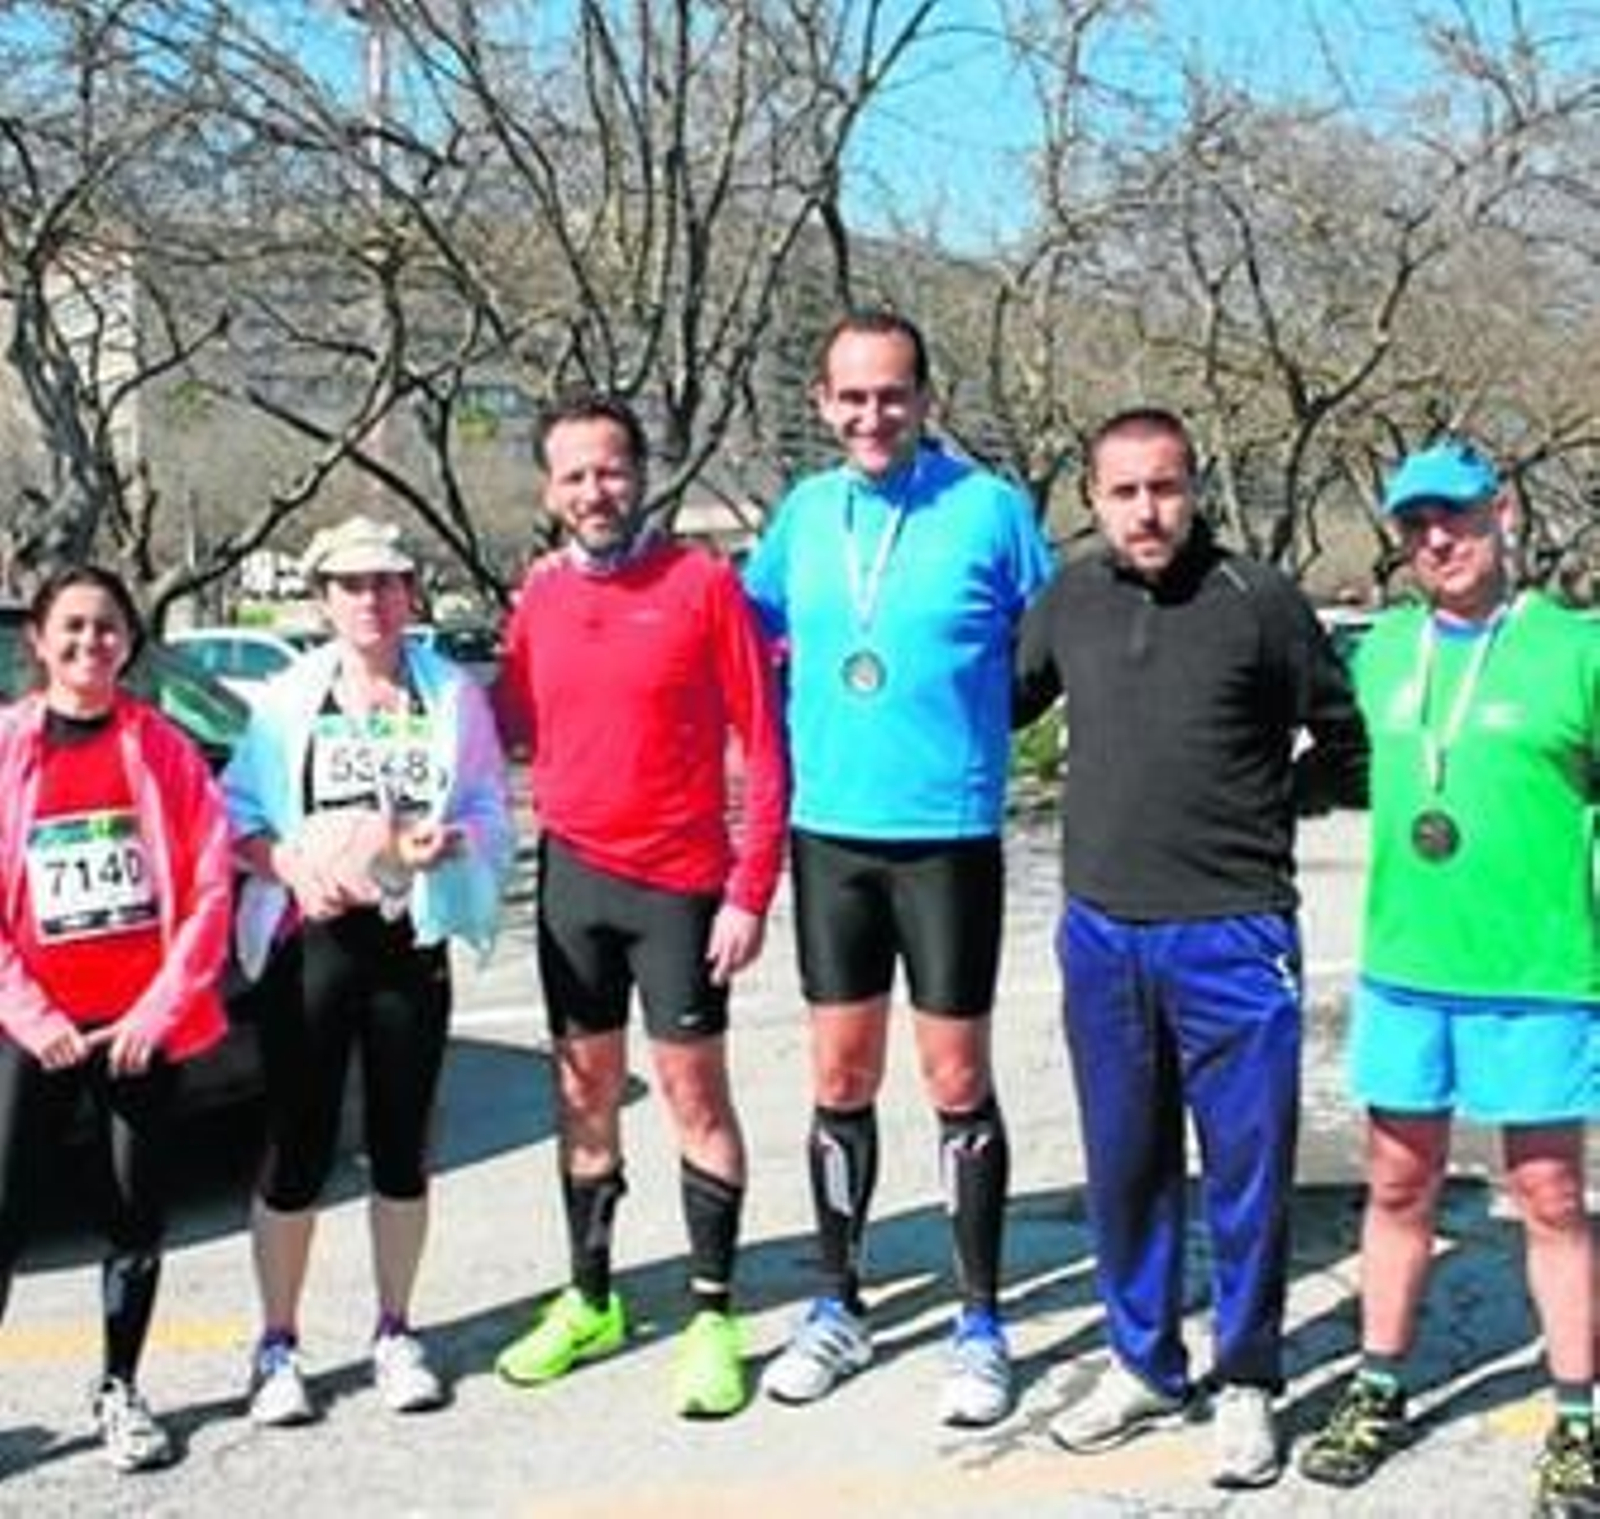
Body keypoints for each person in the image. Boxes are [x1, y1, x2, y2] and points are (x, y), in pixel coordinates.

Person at [1013, 407, 1367, 1487]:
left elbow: (1351, 745)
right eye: (1122, 492)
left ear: (1193, 487)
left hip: (1233, 930)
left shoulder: (1257, 601)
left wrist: (1275, 802)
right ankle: (1142, 1361)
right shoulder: (1068, 596)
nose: (1145, 511)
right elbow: (998, 703)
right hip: (1103, 932)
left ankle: (1249, 1378)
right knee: (1126, 1165)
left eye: (1163, 488)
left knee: (1248, 1172)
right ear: (1093, 496)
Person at [743, 310, 1054, 1428]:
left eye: (892, 395)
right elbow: (742, 637)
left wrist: (988, 727)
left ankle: (979, 1320)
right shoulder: (800, 516)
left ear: (924, 398)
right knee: (838, 1078)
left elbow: (1053, 644)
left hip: (949, 834)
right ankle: (836, 1301)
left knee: (957, 1081)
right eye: (851, 397)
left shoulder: (990, 510)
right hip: (830, 833)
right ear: (823, 405)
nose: (871, 416)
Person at [1297, 441, 1598, 1516]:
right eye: (1416, 522)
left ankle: (1576, 1417)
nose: (1437, 538)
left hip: (1539, 972)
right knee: (1396, 1185)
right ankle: (1377, 1386)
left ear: (1500, 511)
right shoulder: (1381, 652)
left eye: (1456, 515)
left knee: (1550, 1195)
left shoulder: (1576, 649)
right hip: (1407, 973)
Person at [492, 393, 787, 1419]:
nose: (593, 491)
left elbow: (766, 743)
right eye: (573, 475)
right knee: (582, 1100)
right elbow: (502, 729)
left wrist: (749, 890)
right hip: (573, 883)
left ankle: (713, 1314)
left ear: (640, 472)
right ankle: (591, 1298)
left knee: (693, 1099)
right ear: (550, 489)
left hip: (680, 887)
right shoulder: (536, 597)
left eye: (609, 469)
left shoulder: (704, 584)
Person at [223, 515, 512, 1425]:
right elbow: (235, 818)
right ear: (322, 600)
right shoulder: (286, 700)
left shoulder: (451, 695)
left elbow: (489, 809)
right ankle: (277, 1343)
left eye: (386, 582)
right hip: (313, 944)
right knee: (299, 1140)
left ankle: (395, 1328)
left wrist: (450, 841)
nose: (371, 600)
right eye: (350, 585)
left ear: (410, 592)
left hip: (408, 939)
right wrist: (290, 864)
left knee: (399, 1141)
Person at [0, 565, 232, 1471]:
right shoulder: (10, 747)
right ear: (39, 640)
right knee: (5, 1214)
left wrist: (160, 1007)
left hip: (137, 1024)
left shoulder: (164, 748)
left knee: (136, 1211)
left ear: (130, 642)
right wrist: (29, 1013)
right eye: (73, 627)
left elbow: (211, 883)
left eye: (107, 628)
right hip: (33, 1027)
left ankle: (120, 1387)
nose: (90, 643)